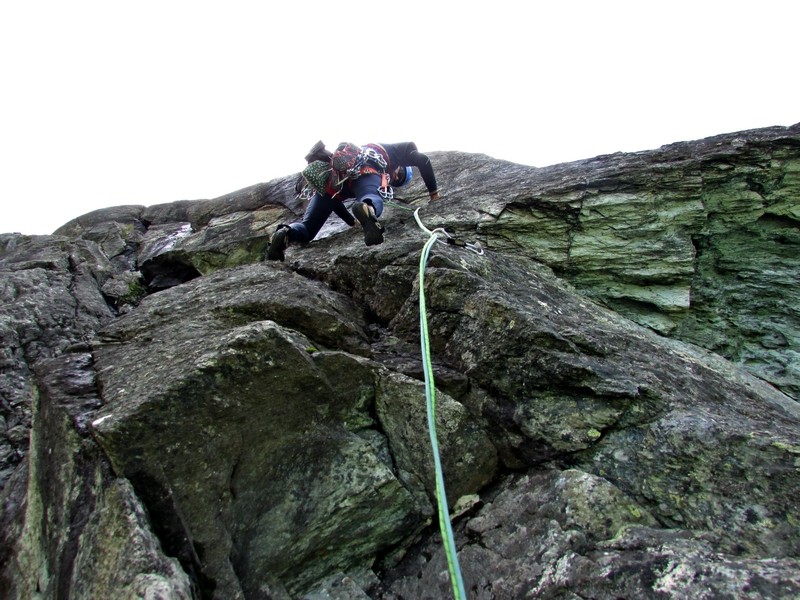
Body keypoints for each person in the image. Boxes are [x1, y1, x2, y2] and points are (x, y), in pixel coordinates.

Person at [266, 141, 440, 261]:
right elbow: (422, 160)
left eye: (397, 181)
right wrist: (434, 194)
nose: (395, 176)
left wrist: (351, 222)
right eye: (399, 173)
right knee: (372, 195)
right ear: (401, 166)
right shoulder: (395, 152)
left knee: (307, 229)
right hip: (365, 169)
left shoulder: (353, 156)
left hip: (335, 180)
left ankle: (285, 233)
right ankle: (368, 208)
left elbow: (334, 200)